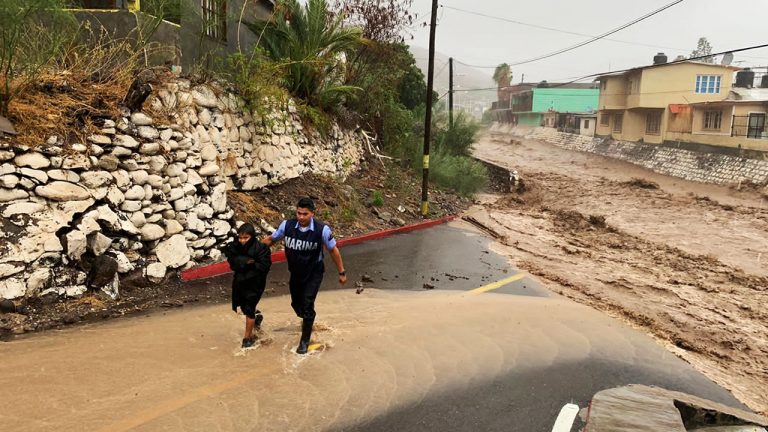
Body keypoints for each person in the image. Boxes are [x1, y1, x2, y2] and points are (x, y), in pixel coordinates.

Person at [263, 197, 347, 354]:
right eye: (298, 213)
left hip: (314, 272)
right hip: (296, 272)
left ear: (312, 213)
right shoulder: (287, 226)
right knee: (296, 304)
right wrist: (251, 251)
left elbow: (333, 250)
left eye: (305, 214)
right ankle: (308, 319)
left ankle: (304, 342)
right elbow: (271, 240)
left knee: (308, 304)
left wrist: (341, 272)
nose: (301, 217)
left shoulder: (322, 230)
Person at [224, 223, 272, 348]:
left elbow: (264, 266)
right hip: (239, 282)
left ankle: (247, 339)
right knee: (243, 306)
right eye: (240, 237)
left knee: (249, 308)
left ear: (252, 237)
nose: (242, 241)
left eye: (246, 238)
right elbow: (232, 262)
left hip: (256, 283)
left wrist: (245, 264)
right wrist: (245, 261)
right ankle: (257, 317)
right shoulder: (234, 247)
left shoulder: (261, 248)